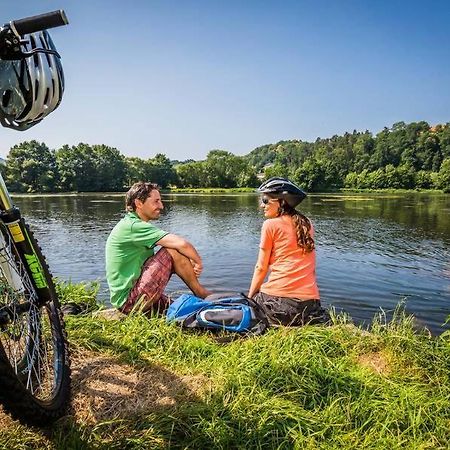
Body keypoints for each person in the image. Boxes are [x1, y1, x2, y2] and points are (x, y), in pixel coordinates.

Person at [105, 181, 212, 314]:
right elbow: (182, 244)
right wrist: (198, 262)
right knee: (171, 249)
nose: (161, 206)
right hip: (130, 302)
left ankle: (205, 300)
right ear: (138, 203)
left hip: (133, 296)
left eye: (160, 201)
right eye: (156, 201)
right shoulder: (134, 226)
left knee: (188, 311)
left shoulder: (131, 223)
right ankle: (201, 293)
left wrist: (185, 263)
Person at [248, 177, 326, 326]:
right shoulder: (307, 223)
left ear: (282, 202)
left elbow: (261, 268)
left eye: (265, 200)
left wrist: (250, 298)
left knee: (249, 302)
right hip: (310, 307)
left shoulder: (270, 225)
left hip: (279, 306)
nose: (261, 205)